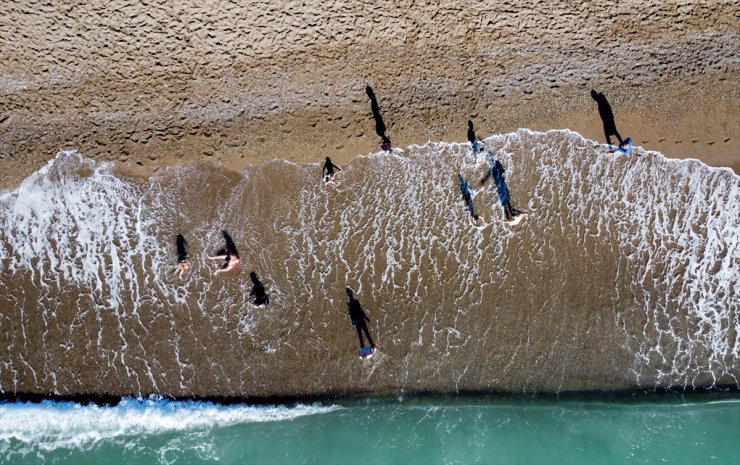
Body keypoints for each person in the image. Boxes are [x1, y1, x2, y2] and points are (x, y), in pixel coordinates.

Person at [481, 152, 523, 222]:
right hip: (502, 187)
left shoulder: (493, 169)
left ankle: (510, 216)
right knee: (506, 203)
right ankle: (511, 214)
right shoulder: (496, 167)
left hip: (501, 188)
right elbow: (501, 173)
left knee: (505, 204)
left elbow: (490, 174)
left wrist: (485, 180)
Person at [346, 287, 375, 358]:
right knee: (366, 333)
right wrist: (365, 318)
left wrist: (353, 322)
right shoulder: (354, 302)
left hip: (358, 321)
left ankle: (364, 349)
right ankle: (371, 345)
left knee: (361, 336)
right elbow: (360, 310)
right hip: (360, 320)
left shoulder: (350, 304)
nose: (351, 295)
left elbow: (351, 315)